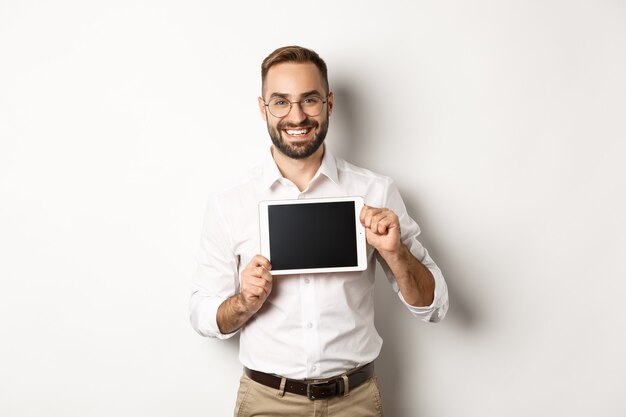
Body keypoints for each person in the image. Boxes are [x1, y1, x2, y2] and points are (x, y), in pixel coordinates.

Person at [190, 45, 449, 417]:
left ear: (328, 103)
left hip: (355, 402)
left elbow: (434, 307)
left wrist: (396, 253)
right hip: (266, 402)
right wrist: (243, 303)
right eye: (280, 102)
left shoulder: (376, 192)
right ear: (263, 109)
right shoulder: (229, 204)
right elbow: (201, 311)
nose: (296, 116)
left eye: (309, 100)